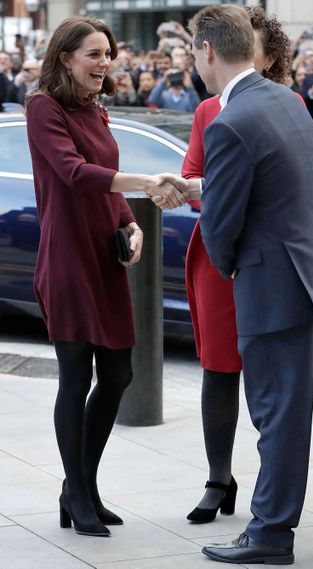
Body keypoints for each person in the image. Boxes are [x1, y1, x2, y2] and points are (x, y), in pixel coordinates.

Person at [154, 3, 313, 564]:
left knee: (276, 417)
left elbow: (221, 228)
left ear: (205, 52)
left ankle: (271, 535)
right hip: (307, 277)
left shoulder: (230, 120)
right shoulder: (287, 102)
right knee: (290, 414)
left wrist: (228, 266)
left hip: (271, 287)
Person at [26, 16, 183, 538]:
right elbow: (73, 172)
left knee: (118, 376)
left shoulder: (97, 109)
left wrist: (131, 223)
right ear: (65, 57)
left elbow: (107, 184)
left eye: (109, 53)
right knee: (75, 379)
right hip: (68, 260)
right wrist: (148, 181)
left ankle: (81, 487)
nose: (106, 63)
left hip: (106, 257)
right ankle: (77, 490)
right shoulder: (42, 107)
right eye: (94, 53)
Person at [181, 5, 296, 526]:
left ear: (269, 57)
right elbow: (193, 178)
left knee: (274, 382)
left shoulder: (286, 103)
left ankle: (271, 501)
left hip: (263, 255)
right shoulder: (209, 111)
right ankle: (218, 478)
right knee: (219, 370)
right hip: (218, 259)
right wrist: (209, 193)